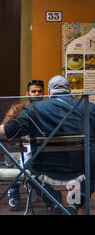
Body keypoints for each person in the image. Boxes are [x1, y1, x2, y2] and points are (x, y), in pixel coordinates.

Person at [0, 75, 95, 214]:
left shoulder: (33, 109)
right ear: (70, 90)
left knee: (28, 168)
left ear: (48, 91)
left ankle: (54, 201)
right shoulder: (88, 107)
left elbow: (7, 131)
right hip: (80, 166)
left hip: (46, 169)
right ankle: (75, 203)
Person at [1, 79, 44, 211]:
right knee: (15, 157)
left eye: (39, 91)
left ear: (43, 93)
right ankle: (14, 189)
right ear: (27, 93)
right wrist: (21, 136)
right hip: (18, 148)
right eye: (33, 91)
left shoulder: (47, 108)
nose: (36, 94)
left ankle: (41, 190)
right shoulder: (17, 108)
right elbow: (5, 128)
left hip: (40, 149)